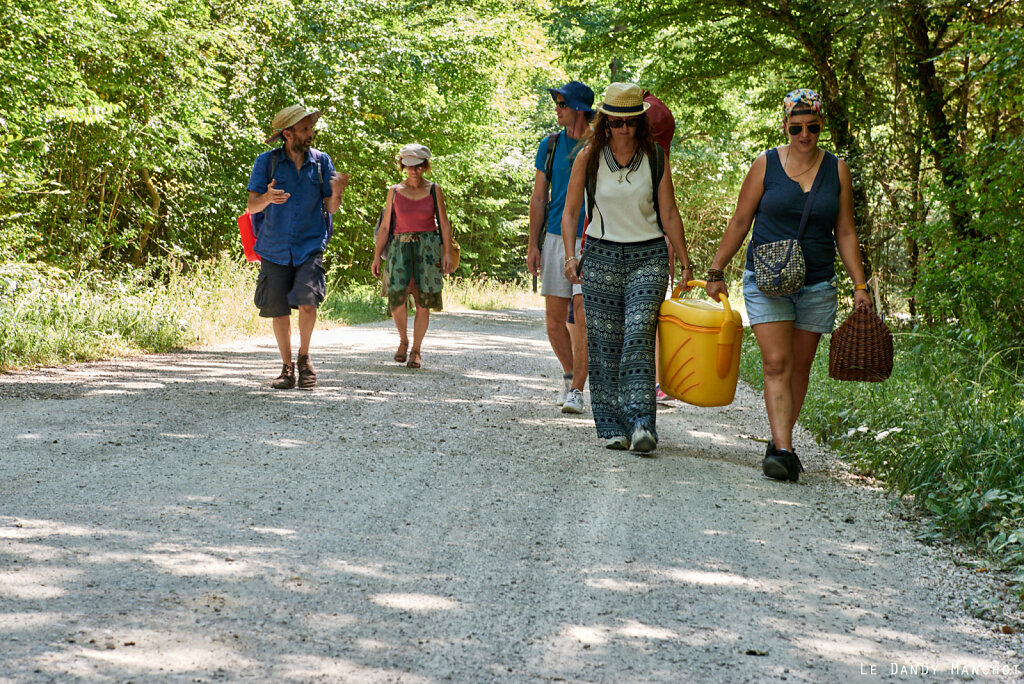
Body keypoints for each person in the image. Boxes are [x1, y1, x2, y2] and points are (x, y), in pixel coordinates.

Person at [704, 88, 871, 482]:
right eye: (796, 128)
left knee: (799, 368)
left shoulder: (837, 169)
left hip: (817, 283)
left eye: (812, 128)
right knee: (777, 362)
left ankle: (781, 438)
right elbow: (740, 221)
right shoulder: (765, 164)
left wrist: (859, 285)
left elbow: (845, 231)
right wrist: (716, 270)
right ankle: (783, 451)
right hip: (767, 279)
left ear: (821, 127)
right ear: (785, 127)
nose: (805, 136)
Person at [562, 82, 693, 453]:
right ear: (605, 122)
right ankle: (611, 427)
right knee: (605, 344)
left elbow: (668, 212)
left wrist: (685, 262)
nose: (624, 130)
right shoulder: (590, 156)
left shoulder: (654, 157)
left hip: (647, 257)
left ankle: (641, 424)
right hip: (601, 254)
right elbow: (571, 211)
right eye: (616, 123)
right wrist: (570, 257)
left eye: (631, 123)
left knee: (637, 335)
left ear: (640, 122)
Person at [247, 104, 349, 389]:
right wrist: (266, 197)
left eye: (310, 128)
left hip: (309, 246)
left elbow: (330, 207)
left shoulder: (321, 162)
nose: (310, 134)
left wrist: (338, 191)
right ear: (287, 133)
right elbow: (252, 206)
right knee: (278, 310)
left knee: (308, 302)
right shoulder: (266, 163)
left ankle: (305, 359)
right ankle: (286, 368)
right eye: (304, 129)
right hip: (274, 247)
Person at [527, 81, 595, 415]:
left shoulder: (601, 144)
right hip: (554, 238)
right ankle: (570, 377)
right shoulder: (550, 145)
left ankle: (579, 390)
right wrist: (533, 245)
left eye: (561, 104)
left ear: (578, 109)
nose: (556, 108)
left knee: (581, 317)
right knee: (554, 323)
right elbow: (539, 197)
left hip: (590, 237)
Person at [371, 144, 455, 370]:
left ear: (424, 167)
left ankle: (416, 350)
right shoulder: (394, 191)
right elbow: (385, 227)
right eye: (409, 167)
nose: (413, 171)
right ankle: (403, 340)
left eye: (418, 167)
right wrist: (377, 256)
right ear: (403, 167)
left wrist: (447, 252)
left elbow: (444, 225)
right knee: (397, 298)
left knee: (423, 300)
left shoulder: (434, 190)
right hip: (399, 248)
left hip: (428, 249)